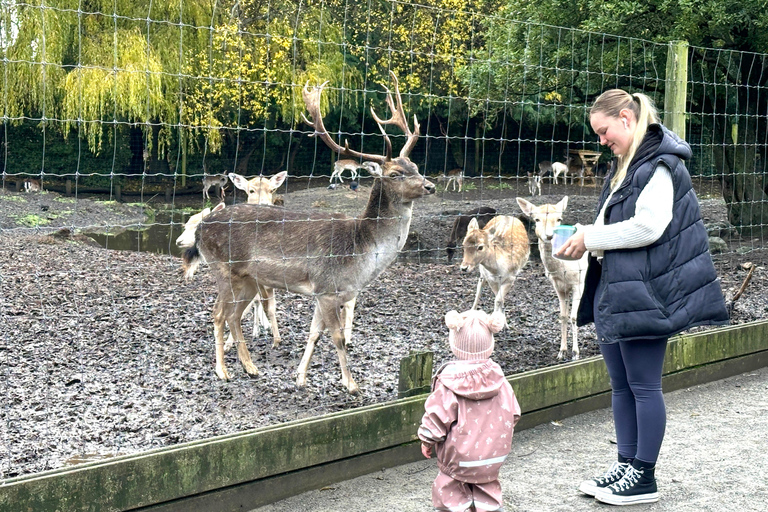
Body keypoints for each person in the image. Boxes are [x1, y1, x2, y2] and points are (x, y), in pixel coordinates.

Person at [556, 89, 729, 505]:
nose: (601, 141)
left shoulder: (661, 165)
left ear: (627, 118)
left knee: (644, 385)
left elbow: (648, 228)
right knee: (621, 386)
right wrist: (584, 237)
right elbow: (612, 223)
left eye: (604, 131)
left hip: (649, 294)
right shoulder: (626, 167)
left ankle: (644, 477)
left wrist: (590, 236)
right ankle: (626, 463)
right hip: (620, 291)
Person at [418, 309, 521, 512]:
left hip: (458, 458)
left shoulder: (448, 384)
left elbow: (436, 417)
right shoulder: (500, 380)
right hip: (492, 457)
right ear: (490, 344)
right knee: (488, 490)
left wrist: (427, 439)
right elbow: (514, 413)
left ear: (454, 344)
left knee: (450, 492)